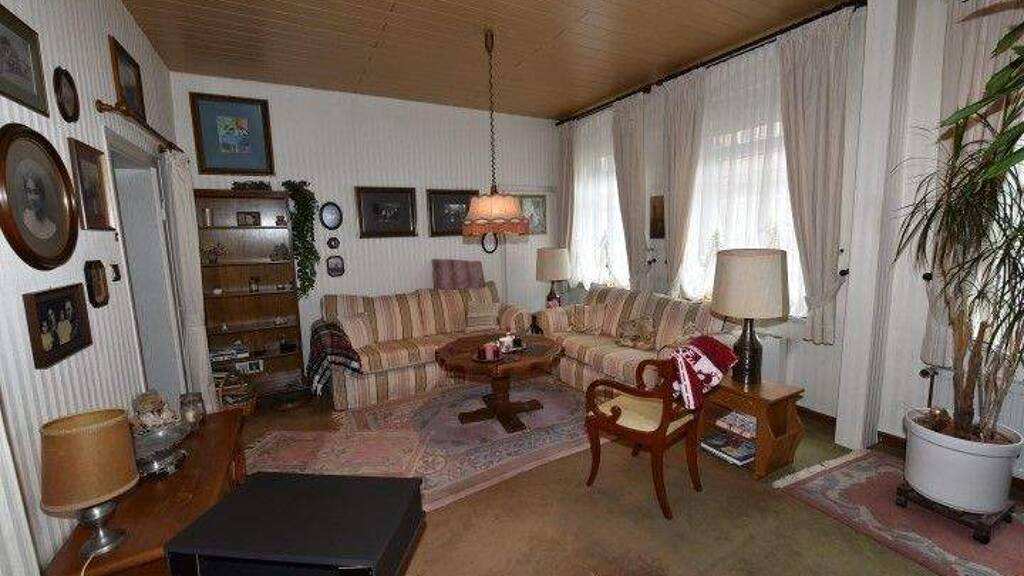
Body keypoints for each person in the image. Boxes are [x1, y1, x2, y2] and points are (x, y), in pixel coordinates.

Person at [21, 174, 56, 240]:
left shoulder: (50, 225)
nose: (32, 197)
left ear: (42, 195)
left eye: (36, 192)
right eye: (29, 191)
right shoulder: (23, 218)